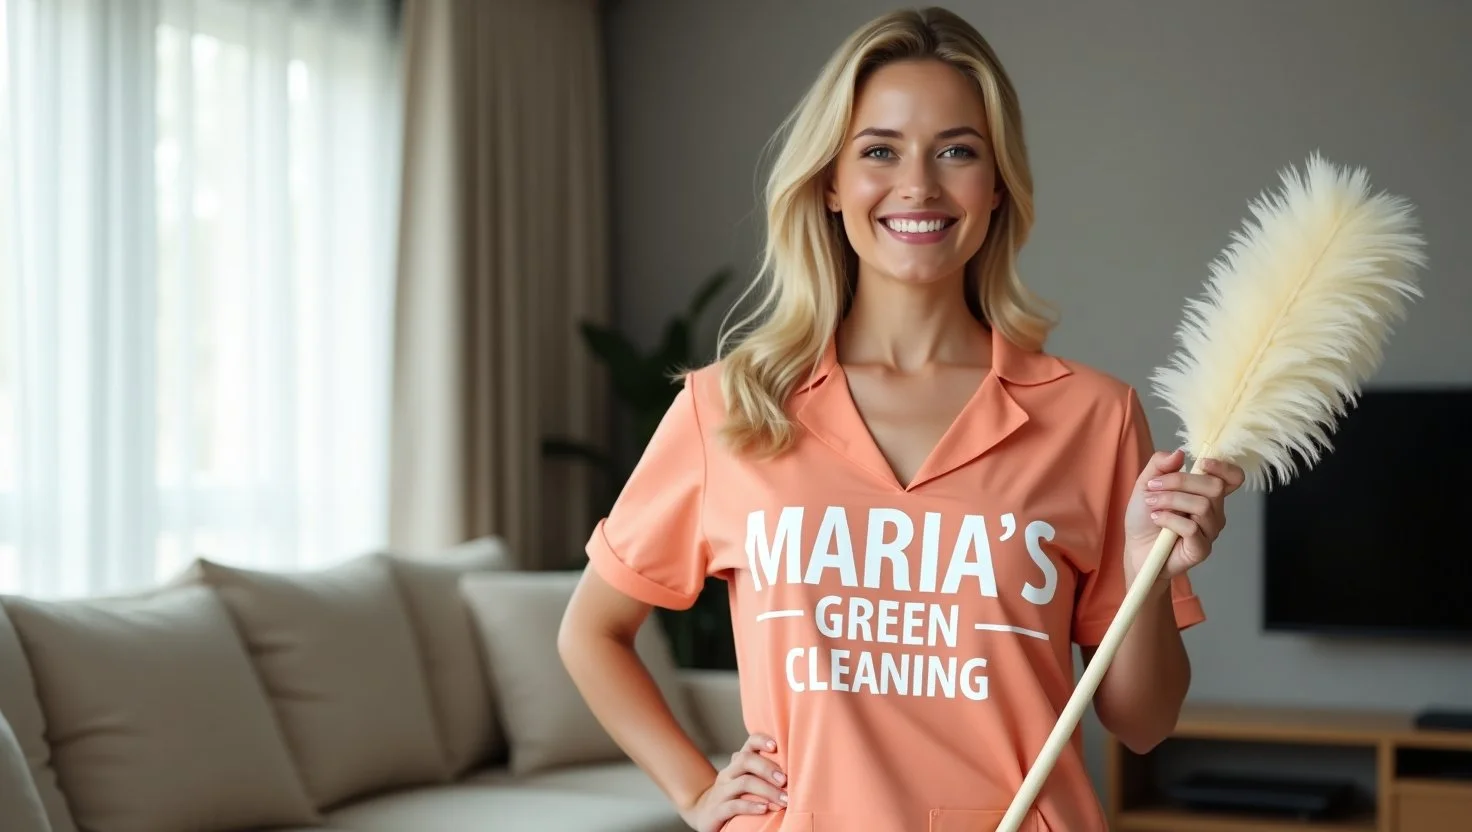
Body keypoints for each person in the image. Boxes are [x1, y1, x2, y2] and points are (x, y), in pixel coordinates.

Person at [558, 6, 1245, 831]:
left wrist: (1149, 570)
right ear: (830, 183)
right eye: (879, 151)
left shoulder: (1093, 416)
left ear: (996, 188)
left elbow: (1143, 723)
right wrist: (694, 789)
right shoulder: (730, 408)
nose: (918, 185)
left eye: (957, 151)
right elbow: (591, 631)